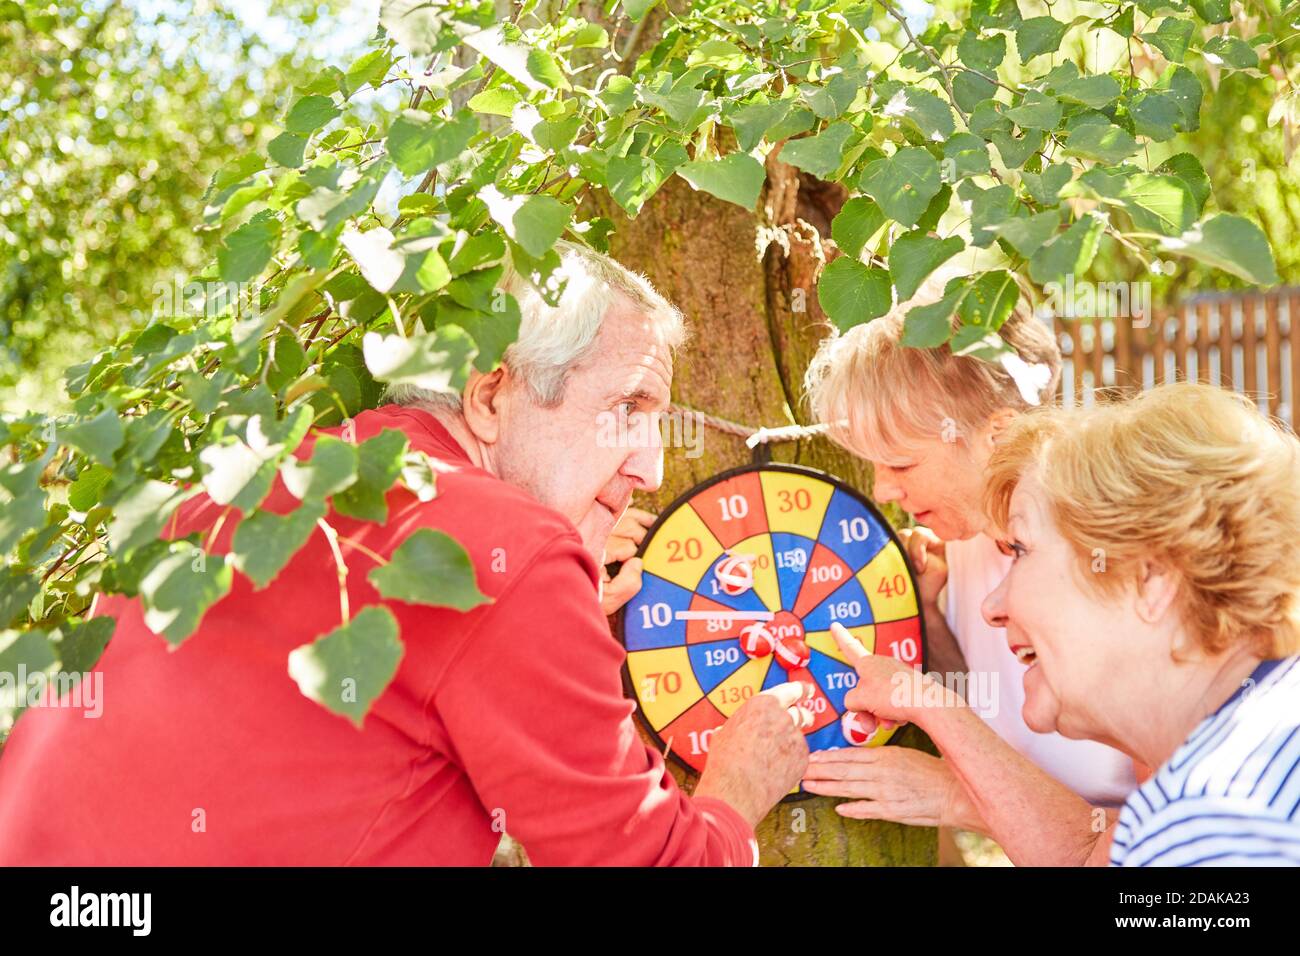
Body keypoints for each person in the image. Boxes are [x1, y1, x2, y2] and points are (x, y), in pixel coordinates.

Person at [0, 241, 811, 866]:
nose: (653, 466)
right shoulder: (515, 554)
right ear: (491, 395)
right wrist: (736, 792)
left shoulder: (253, 485)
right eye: (627, 407)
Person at [831, 382, 1300, 865]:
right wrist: (940, 732)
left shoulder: (1217, 824)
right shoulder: (1251, 753)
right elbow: (1090, 853)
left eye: (1021, 550)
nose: (992, 606)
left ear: (1153, 579)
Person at [799, 275, 1137, 854]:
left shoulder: (1122, 556)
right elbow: (993, 713)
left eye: (902, 465)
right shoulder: (965, 545)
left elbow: (1161, 845)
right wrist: (929, 612)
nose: (882, 489)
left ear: (998, 435)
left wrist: (959, 797)